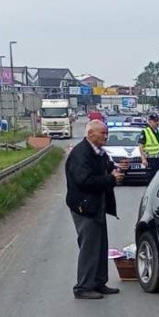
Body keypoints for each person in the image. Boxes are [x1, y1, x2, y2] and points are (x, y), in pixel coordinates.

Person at [65, 120, 124, 300]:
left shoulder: (98, 153)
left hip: (97, 205)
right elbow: (86, 181)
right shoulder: (80, 154)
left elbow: (106, 168)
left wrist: (118, 169)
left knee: (100, 246)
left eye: (106, 133)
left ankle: (98, 282)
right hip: (84, 206)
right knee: (89, 247)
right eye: (102, 133)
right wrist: (111, 179)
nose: (106, 136)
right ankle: (83, 287)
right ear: (90, 134)